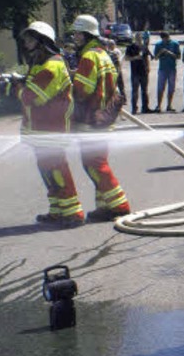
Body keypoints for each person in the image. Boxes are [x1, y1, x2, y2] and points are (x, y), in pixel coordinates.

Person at [9, 21, 85, 228]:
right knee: (46, 169)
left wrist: (16, 88)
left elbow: (33, 97)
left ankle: (73, 211)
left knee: (57, 169)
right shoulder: (40, 63)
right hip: (39, 129)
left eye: (31, 38)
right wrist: (20, 81)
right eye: (25, 38)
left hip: (52, 128)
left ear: (43, 41)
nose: (26, 43)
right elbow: (32, 86)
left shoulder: (52, 65)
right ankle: (57, 210)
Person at [71, 14, 131, 222]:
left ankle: (119, 204)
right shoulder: (103, 54)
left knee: (94, 164)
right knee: (98, 163)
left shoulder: (88, 57)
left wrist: (69, 84)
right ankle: (104, 206)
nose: (75, 37)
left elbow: (83, 90)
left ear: (87, 34)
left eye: (78, 33)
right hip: (103, 119)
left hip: (90, 121)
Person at [124, 33, 152, 114]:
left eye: (140, 37)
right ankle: (134, 109)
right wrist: (135, 57)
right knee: (135, 91)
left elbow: (147, 58)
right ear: (135, 38)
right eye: (137, 37)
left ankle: (145, 108)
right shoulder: (130, 47)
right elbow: (126, 58)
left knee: (145, 90)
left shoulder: (144, 47)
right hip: (135, 72)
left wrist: (148, 67)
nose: (139, 39)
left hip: (144, 72)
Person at [153, 31, 181, 112]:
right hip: (162, 69)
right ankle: (158, 106)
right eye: (164, 39)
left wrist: (169, 53)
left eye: (167, 38)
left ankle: (169, 105)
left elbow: (178, 57)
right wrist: (161, 52)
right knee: (160, 88)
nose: (166, 40)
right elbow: (155, 58)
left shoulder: (175, 44)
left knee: (171, 88)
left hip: (172, 68)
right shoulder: (158, 45)